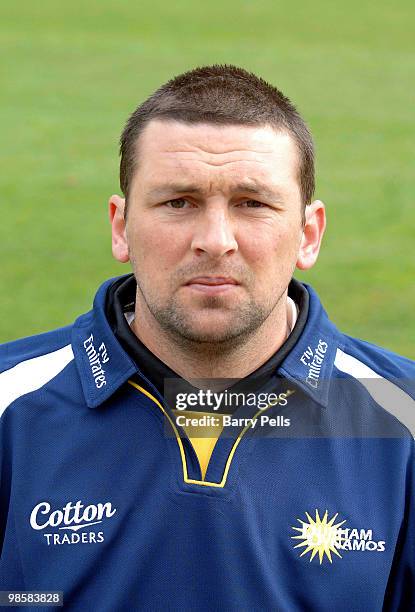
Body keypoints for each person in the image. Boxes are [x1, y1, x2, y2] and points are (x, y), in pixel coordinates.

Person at [0, 65, 413, 611]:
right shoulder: (11, 403)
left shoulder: (402, 414)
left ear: (307, 235)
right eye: (179, 202)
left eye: (252, 204)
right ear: (121, 227)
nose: (215, 241)